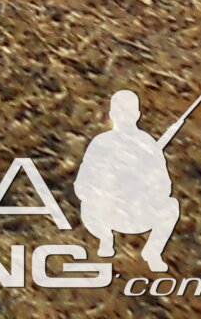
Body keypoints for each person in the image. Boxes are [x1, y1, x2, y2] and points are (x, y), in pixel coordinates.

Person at [74, 90, 181, 271]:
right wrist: (107, 189)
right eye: (120, 113)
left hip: (138, 213)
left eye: (129, 113)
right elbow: (82, 184)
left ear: (137, 115)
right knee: (87, 206)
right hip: (106, 213)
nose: (124, 118)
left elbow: (165, 186)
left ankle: (153, 252)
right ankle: (105, 239)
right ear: (112, 115)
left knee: (171, 206)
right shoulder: (101, 143)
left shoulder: (147, 144)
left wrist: (142, 186)